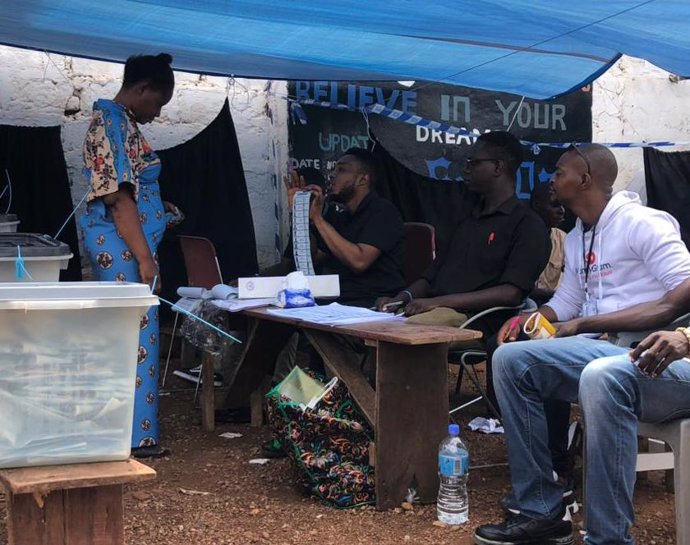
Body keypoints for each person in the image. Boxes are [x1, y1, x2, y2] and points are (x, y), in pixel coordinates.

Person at [474, 143, 690, 545]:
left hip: (663, 360)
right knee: (509, 359)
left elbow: (684, 288)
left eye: (559, 173)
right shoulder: (578, 237)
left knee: (602, 374)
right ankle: (540, 508)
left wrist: (586, 323)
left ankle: (608, 538)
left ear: (585, 179)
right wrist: (531, 319)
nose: (551, 180)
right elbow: (567, 303)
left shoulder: (643, 223)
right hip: (610, 353)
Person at [80, 53, 181, 458]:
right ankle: (133, 437)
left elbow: (135, 189)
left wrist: (160, 208)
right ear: (141, 89)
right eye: (157, 104)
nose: (156, 114)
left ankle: (132, 433)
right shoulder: (110, 122)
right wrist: (145, 258)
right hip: (123, 249)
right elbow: (119, 199)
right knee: (134, 334)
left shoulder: (123, 123)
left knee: (135, 332)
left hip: (130, 245)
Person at [376, 130, 550, 338]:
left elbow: (510, 293)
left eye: (473, 163)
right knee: (370, 324)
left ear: (497, 167)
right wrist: (401, 298)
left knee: (400, 333)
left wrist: (436, 302)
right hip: (434, 310)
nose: (466, 169)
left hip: (478, 319)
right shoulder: (466, 218)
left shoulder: (527, 225)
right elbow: (431, 276)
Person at [306, 147, 405, 308]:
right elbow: (314, 257)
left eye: (342, 170)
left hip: (371, 303)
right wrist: (302, 213)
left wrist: (318, 220)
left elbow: (359, 261)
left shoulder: (383, 211)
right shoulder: (343, 217)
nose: (332, 175)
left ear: (362, 180)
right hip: (336, 302)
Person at [530, 182, 566, 306]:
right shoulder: (518, 236)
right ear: (537, 205)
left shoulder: (562, 239)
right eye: (555, 205)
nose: (561, 211)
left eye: (563, 205)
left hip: (549, 305)